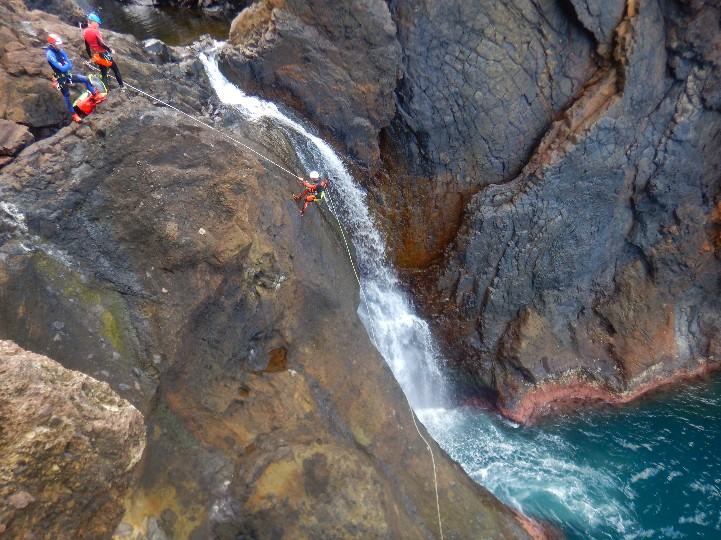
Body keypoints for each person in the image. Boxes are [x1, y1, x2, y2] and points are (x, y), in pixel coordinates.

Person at [45, 33, 99, 123]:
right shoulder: (50, 55)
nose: (61, 46)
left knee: (85, 79)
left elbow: (70, 65)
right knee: (67, 96)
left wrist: (65, 66)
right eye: (59, 44)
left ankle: (95, 95)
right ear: (53, 45)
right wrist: (65, 66)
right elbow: (61, 68)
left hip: (67, 75)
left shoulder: (61, 51)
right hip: (60, 78)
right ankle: (74, 115)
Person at [83, 11, 125, 91]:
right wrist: (110, 50)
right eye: (97, 23)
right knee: (115, 69)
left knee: (103, 71)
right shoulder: (95, 31)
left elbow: (87, 47)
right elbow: (101, 44)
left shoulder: (85, 32)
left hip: (97, 56)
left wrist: (90, 57)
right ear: (93, 22)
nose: (98, 25)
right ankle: (122, 87)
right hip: (104, 55)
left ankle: (104, 88)